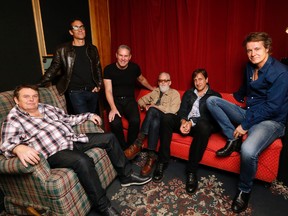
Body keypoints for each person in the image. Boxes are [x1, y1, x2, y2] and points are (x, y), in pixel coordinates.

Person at [0, 84, 152, 216]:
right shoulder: (14, 119)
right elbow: (5, 144)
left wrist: (89, 115)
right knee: (82, 160)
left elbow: (67, 119)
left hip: (71, 139)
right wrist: (18, 148)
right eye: (26, 97)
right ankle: (103, 206)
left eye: (34, 96)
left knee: (109, 138)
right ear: (16, 100)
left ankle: (126, 176)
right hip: (53, 152)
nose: (32, 99)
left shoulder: (44, 107)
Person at [206, 32, 288, 213]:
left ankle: (244, 190)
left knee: (249, 150)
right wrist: (233, 100)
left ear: (267, 48)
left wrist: (244, 125)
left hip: (270, 121)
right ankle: (231, 138)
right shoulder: (249, 67)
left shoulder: (281, 72)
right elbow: (245, 89)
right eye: (249, 50)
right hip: (250, 113)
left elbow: (272, 108)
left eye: (257, 49)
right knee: (211, 101)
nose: (252, 54)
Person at [152, 69, 221, 194]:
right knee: (167, 117)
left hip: (200, 126)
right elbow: (182, 111)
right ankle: (162, 161)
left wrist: (191, 122)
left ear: (207, 80)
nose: (197, 82)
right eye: (195, 80)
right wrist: (184, 121)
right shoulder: (189, 93)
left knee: (204, 126)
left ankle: (191, 170)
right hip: (185, 123)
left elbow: (211, 118)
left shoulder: (215, 96)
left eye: (200, 79)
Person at [39, 19, 102, 115]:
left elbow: (97, 67)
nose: (80, 30)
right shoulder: (62, 49)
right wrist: (38, 84)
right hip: (76, 91)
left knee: (93, 119)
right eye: (76, 27)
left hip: (92, 91)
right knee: (83, 120)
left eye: (81, 27)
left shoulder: (92, 48)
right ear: (71, 32)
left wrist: (99, 85)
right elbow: (53, 69)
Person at [124, 72, 181, 176]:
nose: (163, 83)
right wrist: (145, 106)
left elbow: (172, 110)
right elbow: (141, 100)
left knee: (153, 110)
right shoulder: (155, 92)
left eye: (165, 81)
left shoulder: (175, 94)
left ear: (170, 82)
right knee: (154, 122)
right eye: (160, 81)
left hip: (167, 123)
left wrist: (154, 107)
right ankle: (151, 156)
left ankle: (138, 142)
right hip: (155, 121)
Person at [103, 45, 154, 150]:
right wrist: (113, 108)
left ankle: (131, 148)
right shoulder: (108, 69)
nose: (123, 58)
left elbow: (141, 79)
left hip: (130, 100)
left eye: (126, 56)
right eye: (120, 55)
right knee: (115, 122)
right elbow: (108, 90)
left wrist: (152, 88)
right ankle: (122, 148)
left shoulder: (134, 68)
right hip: (114, 100)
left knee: (135, 120)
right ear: (116, 55)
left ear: (130, 57)